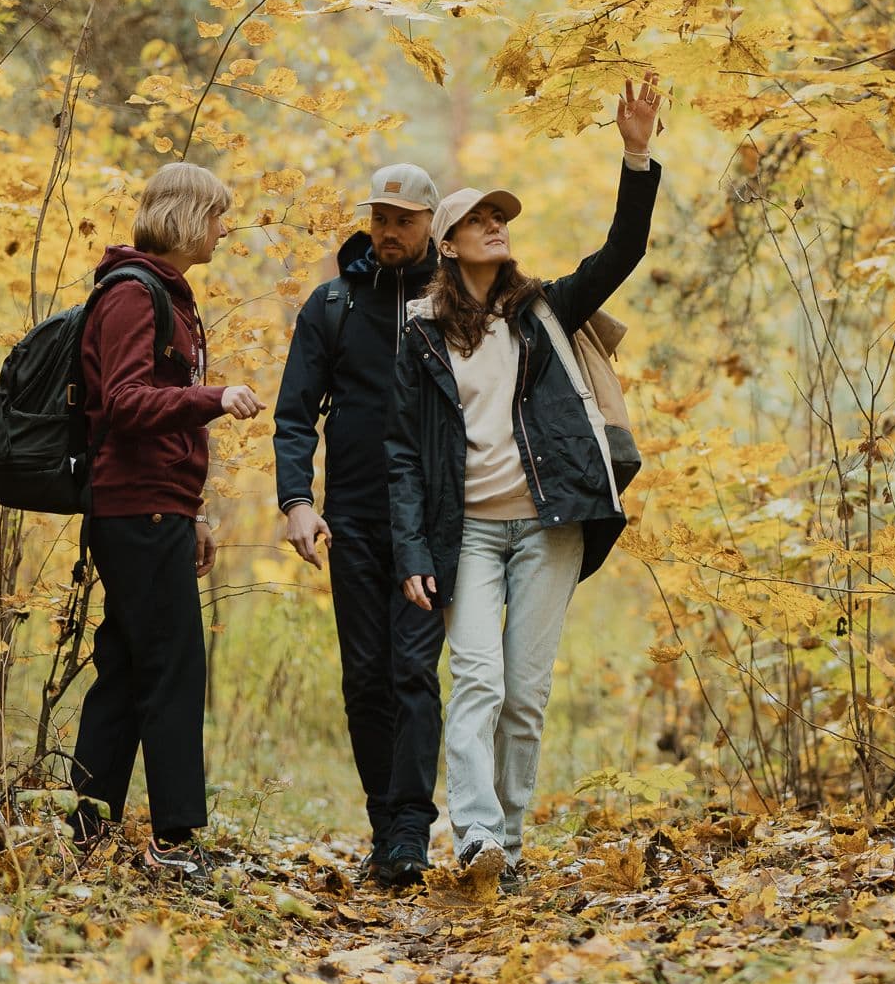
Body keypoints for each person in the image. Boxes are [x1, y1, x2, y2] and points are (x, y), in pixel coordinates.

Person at [387, 74, 664, 886]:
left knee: (525, 692)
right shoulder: (421, 335)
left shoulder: (545, 310)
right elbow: (403, 451)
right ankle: (471, 835)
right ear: (448, 244)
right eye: (477, 219)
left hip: (551, 525)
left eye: (499, 216)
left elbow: (623, 251)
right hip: (466, 529)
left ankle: (508, 843)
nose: (494, 226)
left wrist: (636, 151)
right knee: (474, 675)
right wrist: (411, 549)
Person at [70, 161, 261, 877]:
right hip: (132, 506)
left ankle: (88, 827)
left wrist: (196, 510)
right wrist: (213, 396)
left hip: (159, 507)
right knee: (175, 669)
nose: (223, 228)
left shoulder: (172, 300)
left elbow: (162, 417)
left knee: (125, 667)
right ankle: (173, 841)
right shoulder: (132, 295)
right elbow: (123, 403)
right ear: (185, 215)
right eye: (217, 214)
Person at [273, 164, 448, 887]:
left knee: (414, 670)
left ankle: (411, 827)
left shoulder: (454, 303)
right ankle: (386, 823)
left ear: (432, 222)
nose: (388, 230)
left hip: (431, 527)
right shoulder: (333, 304)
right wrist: (297, 502)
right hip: (351, 520)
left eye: (404, 218)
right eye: (380, 216)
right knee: (365, 678)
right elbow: (293, 414)